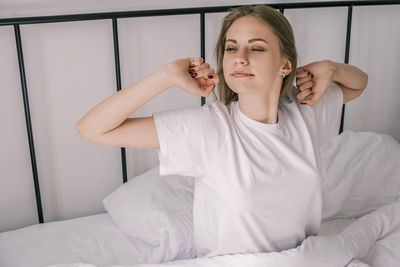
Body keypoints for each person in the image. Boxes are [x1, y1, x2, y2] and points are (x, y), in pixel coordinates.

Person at [76, 5, 368, 258]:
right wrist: (164, 77)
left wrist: (330, 68)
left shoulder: (306, 110)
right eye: (231, 48)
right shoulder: (210, 128)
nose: (240, 57)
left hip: (301, 258)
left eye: (256, 47)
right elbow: (92, 130)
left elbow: (359, 83)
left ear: (285, 64)